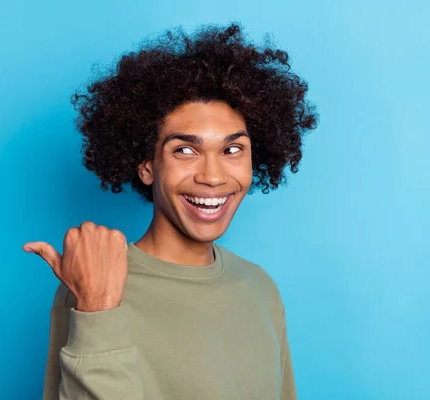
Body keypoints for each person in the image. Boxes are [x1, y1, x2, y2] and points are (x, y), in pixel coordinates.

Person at [24, 23, 318, 400]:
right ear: (146, 165)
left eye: (232, 150)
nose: (213, 176)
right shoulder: (93, 281)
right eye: (185, 150)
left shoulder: (260, 288)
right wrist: (97, 310)